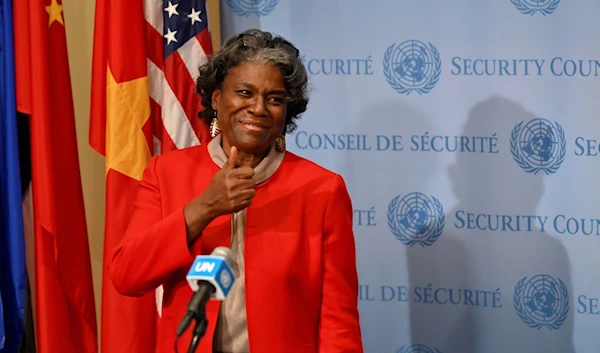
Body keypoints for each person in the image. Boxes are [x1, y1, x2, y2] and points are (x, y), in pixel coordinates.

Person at [108, 28, 363, 353]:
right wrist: (203, 208)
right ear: (217, 97)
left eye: (274, 99)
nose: (258, 108)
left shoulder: (321, 189)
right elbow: (126, 275)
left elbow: (338, 321)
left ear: (287, 111)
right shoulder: (166, 174)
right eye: (245, 93)